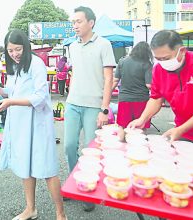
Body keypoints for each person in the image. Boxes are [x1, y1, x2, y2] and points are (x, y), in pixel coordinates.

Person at [0, 29, 67, 220]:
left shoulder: (36, 64)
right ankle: (30, 209)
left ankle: (61, 214)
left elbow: (40, 96)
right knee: (25, 166)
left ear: (26, 46)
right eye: (10, 50)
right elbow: (12, 92)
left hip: (38, 124)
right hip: (21, 125)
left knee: (48, 168)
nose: (14, 54)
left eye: (18, 49)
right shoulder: (14, 66)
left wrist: (11, 102)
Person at [64, 6, 116, 211]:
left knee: (90, 151)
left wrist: (104, 109)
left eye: (78, 21)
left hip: (94, 106)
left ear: (91, 23)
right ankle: (74, 183)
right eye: (73, 22)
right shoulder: (72, 46)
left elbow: (108, 78)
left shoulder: (104, 44)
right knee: (68, 146)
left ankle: (88, 189)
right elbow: (75, 72)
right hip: (73, 103)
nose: (75, 25)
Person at [128, 30, 193, 142]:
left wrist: (181, 129)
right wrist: (142, 119)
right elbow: (156, 98)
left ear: (182, 51)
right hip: (182, 131)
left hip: (181, 129)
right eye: (158, 59)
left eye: (166, 58)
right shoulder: (158, 70)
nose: (163, 62)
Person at [112, 41, 153, 129]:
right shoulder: (147, 64)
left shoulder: (122, 61)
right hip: (141, 100)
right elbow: (149, 85)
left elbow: (115, 80)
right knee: (140, 127)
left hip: (124, 98)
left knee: (122, 127)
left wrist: (106, 94)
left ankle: (122, 141)